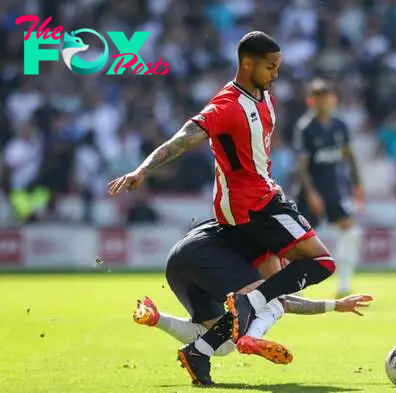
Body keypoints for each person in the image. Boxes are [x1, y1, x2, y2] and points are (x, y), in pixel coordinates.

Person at [108, 31, 350, 384]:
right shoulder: (227, 105)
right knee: (323, 263)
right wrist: (143, 169)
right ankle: (249, 305)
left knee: (263, 299)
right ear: (247, 62)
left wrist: (332, 307)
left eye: (278, 67)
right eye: (270, 67)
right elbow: (183, 138)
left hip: (247, 208)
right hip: (258, 203)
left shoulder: (265, 98)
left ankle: (199, 352)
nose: (275, 74)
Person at [131, 220, 372, 378]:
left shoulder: (260, 231)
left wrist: (335, 305)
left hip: (178, 261)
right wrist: (332, 306)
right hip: (205, 254)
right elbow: (283, 300)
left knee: (221, 342)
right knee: (265, 300)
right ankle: (250, 338)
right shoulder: (272, 245)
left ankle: (156, 318)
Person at [294, 78, 364, 298]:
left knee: (352, 231)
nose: (324, 102)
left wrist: (357, 183)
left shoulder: (339, 126)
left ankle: (344, 283)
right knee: (300, 243)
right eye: (319, 98)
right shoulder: (306, 128)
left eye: (327, 97)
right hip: (310, 192)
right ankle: (296, 288)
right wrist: (311, 192)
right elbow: (302, 166)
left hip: (333, 189)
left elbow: (349, 156)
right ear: (311, 101)